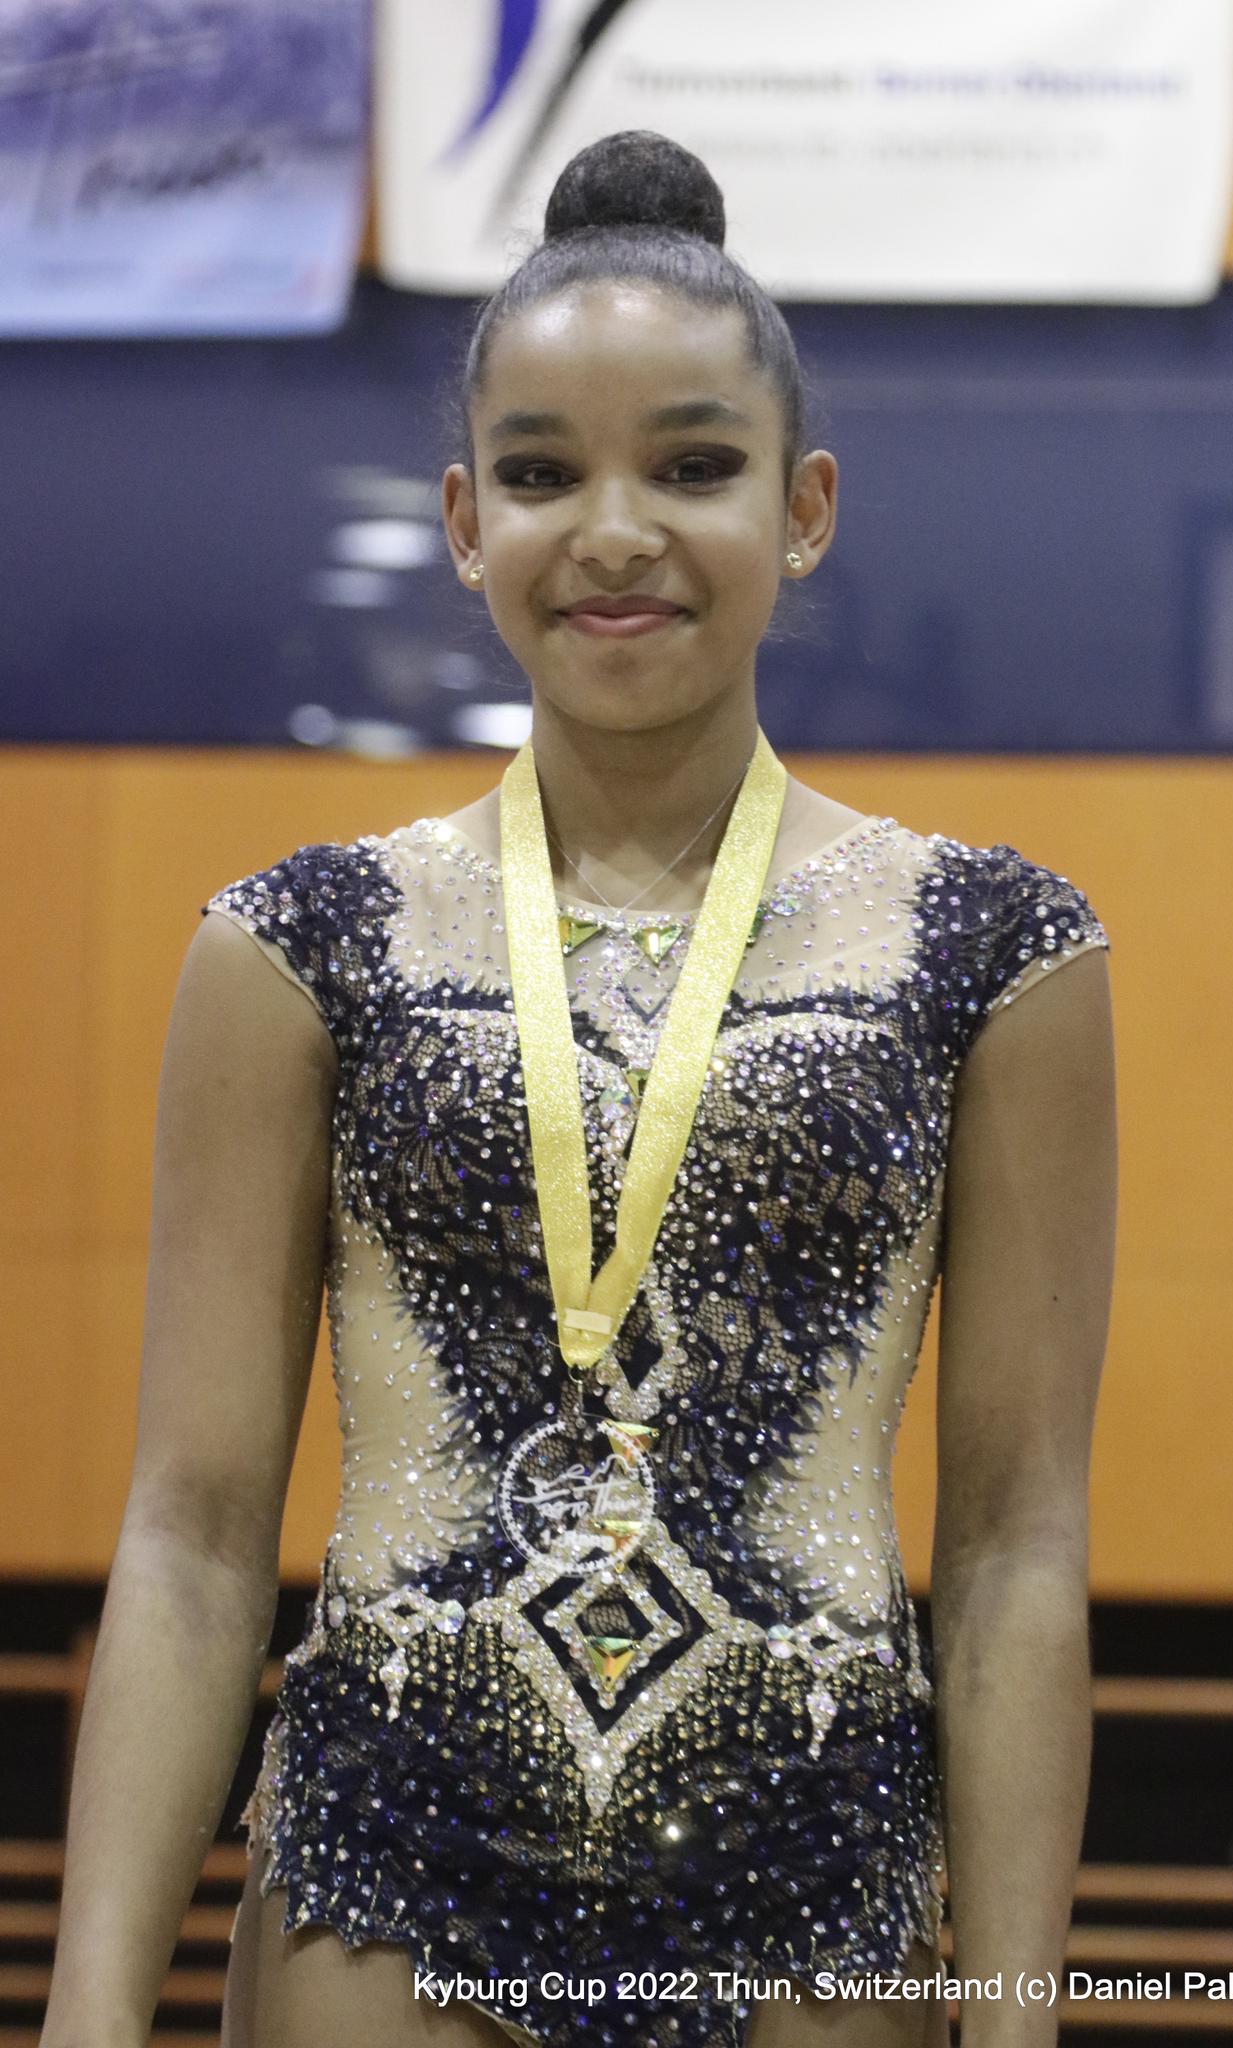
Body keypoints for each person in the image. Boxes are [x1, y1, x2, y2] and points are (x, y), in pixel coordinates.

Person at [40, 130, 1117, 2048]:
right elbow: (194, 1535)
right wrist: (89, 2014)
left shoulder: (990, 949)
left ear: (802, 507)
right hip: (390, 1885)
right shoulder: (301, 944)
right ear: (466, 522)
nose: (613, 532)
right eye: (542, 474)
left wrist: (1019, 2015)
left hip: (807, 1880)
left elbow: (1015, 1545)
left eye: (692, 467)